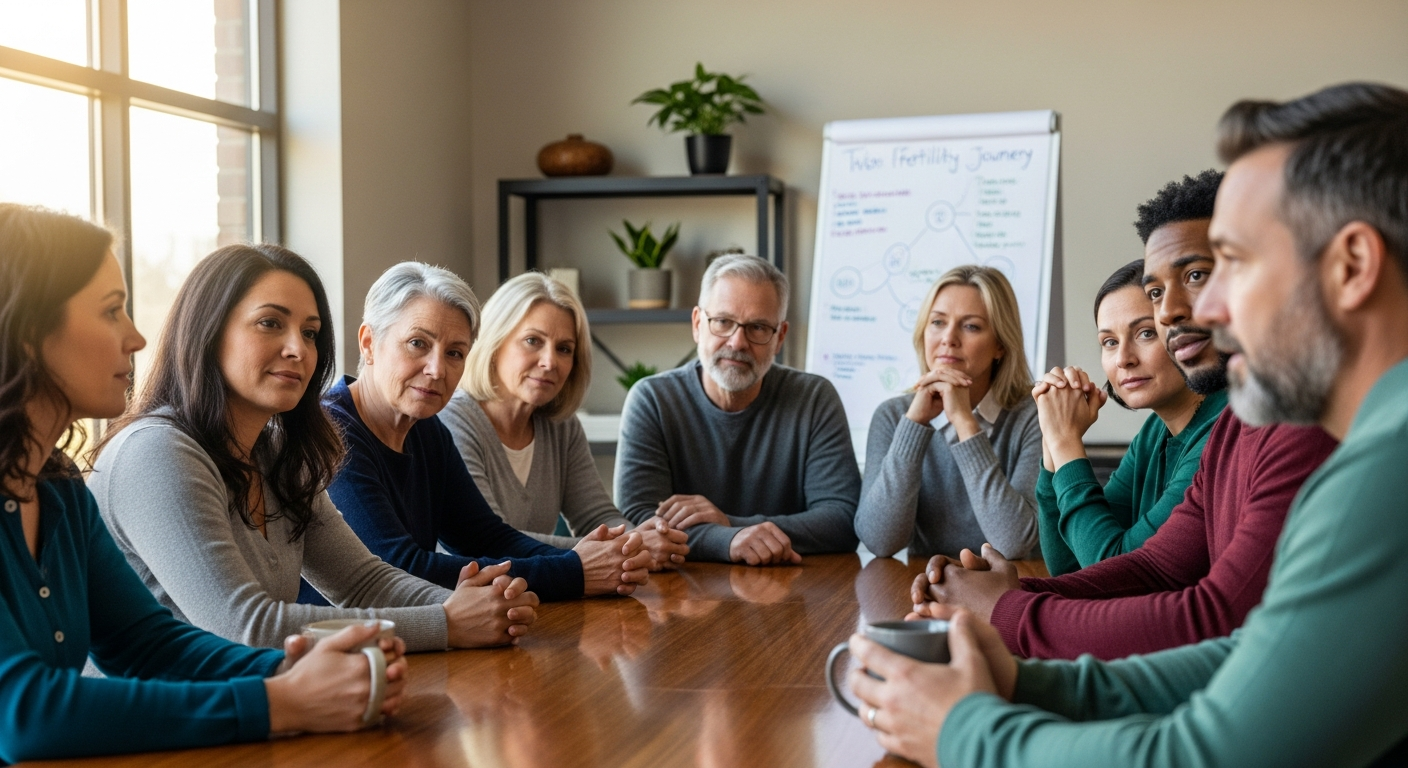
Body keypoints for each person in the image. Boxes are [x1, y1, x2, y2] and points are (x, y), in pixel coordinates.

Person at [849, 82, 1408, 768]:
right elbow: (1236, 645)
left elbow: (1209, 747)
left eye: (1231, 264)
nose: (1198, 311)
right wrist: (1020, 671)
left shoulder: (1389, 462)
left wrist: (963, 728)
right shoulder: (1277, 422)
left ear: (1352, 266)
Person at [0, 204, 409, 762]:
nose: (136, 338)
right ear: (28, 330)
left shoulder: (58, 487)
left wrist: (297, 668)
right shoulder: (152, 450)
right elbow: (22, 714)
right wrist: (279, 702)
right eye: (112, 311)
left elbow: (147, 644)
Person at [908, 171, 1336, 661]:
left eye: (1196, 276)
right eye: (1109, 342)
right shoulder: (1196, 428)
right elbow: (1139, 569)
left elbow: (1200, 607)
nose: (1170, 313)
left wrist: (1008, 608)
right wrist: (1006, 595)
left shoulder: (1268, 424)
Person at [90, 245, 539, 653]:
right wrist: (446, 622)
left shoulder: (277, 452)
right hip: (157, 716)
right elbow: (245, 627)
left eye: (310, 333)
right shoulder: (156, 452)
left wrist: (475, 607)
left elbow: (363, 581)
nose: (299, 350)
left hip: (256, 701)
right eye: (270, 323)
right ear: (208, 330)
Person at [323, 263, 653, 602]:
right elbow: (400, 569)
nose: (437, 370)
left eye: (454, 353)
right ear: (369, 343)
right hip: (332, 634)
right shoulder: (332, 432)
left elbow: (487, 537)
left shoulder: (428, 430)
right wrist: (575, 571)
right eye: (417, 343)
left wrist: (595, 560)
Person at [615, 254, 861, 565]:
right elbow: (639, 518)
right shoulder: (652, 400)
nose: (737, 342)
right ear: (697, 324)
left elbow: (841, 519)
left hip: (792, 587)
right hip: (680, 589)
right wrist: (727, 540)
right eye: (723, 322)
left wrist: (730, 523)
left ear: (780, 337)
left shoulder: (813, 399)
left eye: (757, 327)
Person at [439, 271, 689, 570]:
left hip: (538, 587)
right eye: (533, 341)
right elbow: (491, 540)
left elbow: (596, 515)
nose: (550, 362)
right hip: (462, 591)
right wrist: (617, 547)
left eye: (564, 349)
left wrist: (638, 538)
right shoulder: (453, 421)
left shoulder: (563, 427)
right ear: (494, 344)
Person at [1032, 259, 1222, 576]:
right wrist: (1053, 438)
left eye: (1145, 333)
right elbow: (1069, 569)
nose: (1123, 359)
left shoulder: (1220, 432)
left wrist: (1065, 441)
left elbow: (1114, 570)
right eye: (1109, 342)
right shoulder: (1154, 432)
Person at [854, 265, 1041, 560]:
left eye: (971, 326)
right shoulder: (892, 416)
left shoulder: (1034, 415)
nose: (948, 338)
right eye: (938, 322)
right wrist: (914, 424)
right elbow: (880, 541)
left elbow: (1014, 543)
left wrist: (965, 424)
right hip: (928, 582)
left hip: (1013, 583)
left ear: (1000, 345)